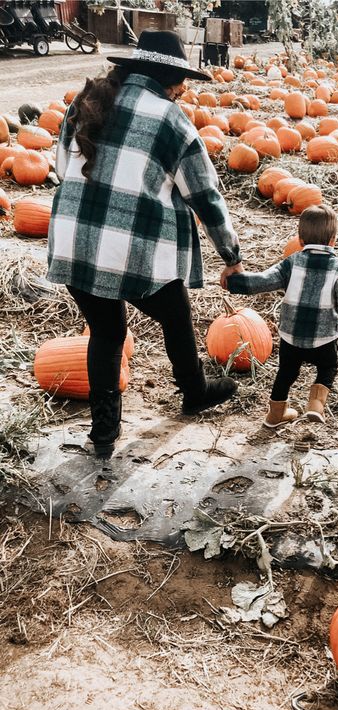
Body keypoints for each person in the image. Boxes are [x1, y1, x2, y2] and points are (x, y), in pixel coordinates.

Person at [47, 31, 244, 458]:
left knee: (106, 330)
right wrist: (231, 256)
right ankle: (194, 392)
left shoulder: (85, 102)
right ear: (166, 76)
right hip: (129, 252)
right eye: (181, 80)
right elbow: (205, 197)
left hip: (72, 241)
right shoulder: (172, 122)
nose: (184, 89)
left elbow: (62, 166)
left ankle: (103, 434)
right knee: (174, 311)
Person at [225, 205, 338, 428]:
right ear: (333, 240)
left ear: (301, 239)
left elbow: (263, 281)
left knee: (286, 373)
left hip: (291, 336)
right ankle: (315, 405)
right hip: (323, 338)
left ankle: (275, 415)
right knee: (327, 368)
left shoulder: (291, 263)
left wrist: (234, 282)